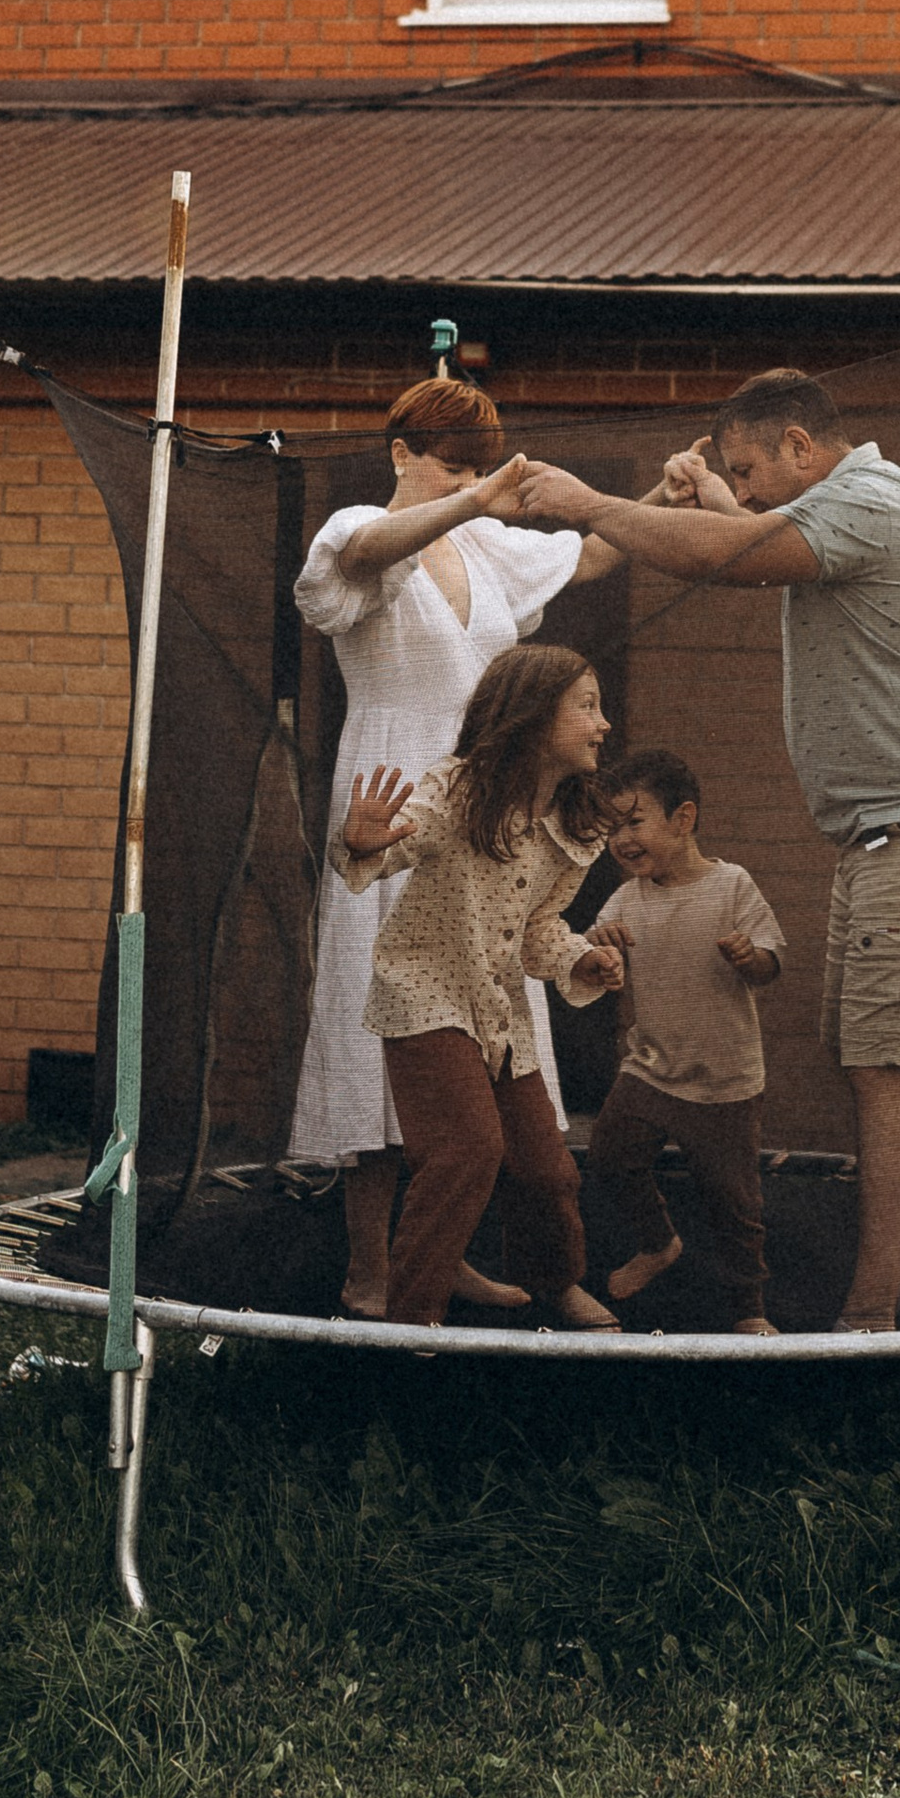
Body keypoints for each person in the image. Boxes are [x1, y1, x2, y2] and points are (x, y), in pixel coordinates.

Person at [513, 369, 900, 1334]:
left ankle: (868, 1314)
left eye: (747, 470)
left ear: (801, 445)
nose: (740, 491)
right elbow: (744, 540)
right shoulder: (843, 509)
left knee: (885, 1061)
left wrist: (593, 504)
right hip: (898, 824)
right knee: (893, 1057)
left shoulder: (871, 501)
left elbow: (731, 559)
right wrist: (708, 504)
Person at [290, 372, 614, 1319]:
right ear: (401, 453)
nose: (468, 481)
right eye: (450, 462)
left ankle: (447, 1246)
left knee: (486, 1025)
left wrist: (653, 507)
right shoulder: (363, 528)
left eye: (478, 464)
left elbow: (582, 556)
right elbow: (350, 565)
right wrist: (471, 496)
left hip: (485, 810)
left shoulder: (483, 542)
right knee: (377, 1024)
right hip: (391, 794)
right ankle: (369, 1268)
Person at [335, 641, 627, 1328]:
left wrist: (579, 959)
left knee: (546, 1168)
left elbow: (539, 927)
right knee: (467, 1148)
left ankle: (553, 1282)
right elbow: (394, 847)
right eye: (586, 706)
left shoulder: (571, 823)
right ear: (532, 714)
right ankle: (414, 1319)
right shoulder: (459, 791)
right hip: (424, 993)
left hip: (497, 1009)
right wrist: (364, 841)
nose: (603, 723)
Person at [583, 748, 784, 1334]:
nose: (621, 840)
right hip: (649, 1067)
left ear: (683, 818)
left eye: (633, 822)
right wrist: (600, 948)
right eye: (612, 829)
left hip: (724, 1077)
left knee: (735, 1203)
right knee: (611, 1159)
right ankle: (659, 1243)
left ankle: (749, 1310)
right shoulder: (625, 898)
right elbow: (592, 956)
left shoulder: (731, 886)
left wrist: (752, 958)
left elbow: (771, 964)